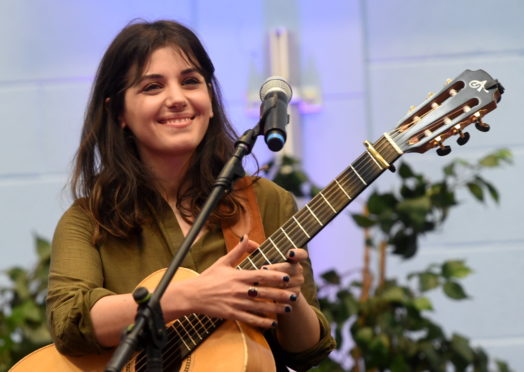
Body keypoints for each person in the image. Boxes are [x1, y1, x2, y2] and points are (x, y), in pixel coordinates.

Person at [46, 19, 335, 371]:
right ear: (118, 112)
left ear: (210, 101)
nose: (178, 99)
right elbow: (70, 321)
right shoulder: (88, 219)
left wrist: (288, 295)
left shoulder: (267, 201)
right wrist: (191, 296)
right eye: (152, 87)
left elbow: (306, 351)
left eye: (191, 82)